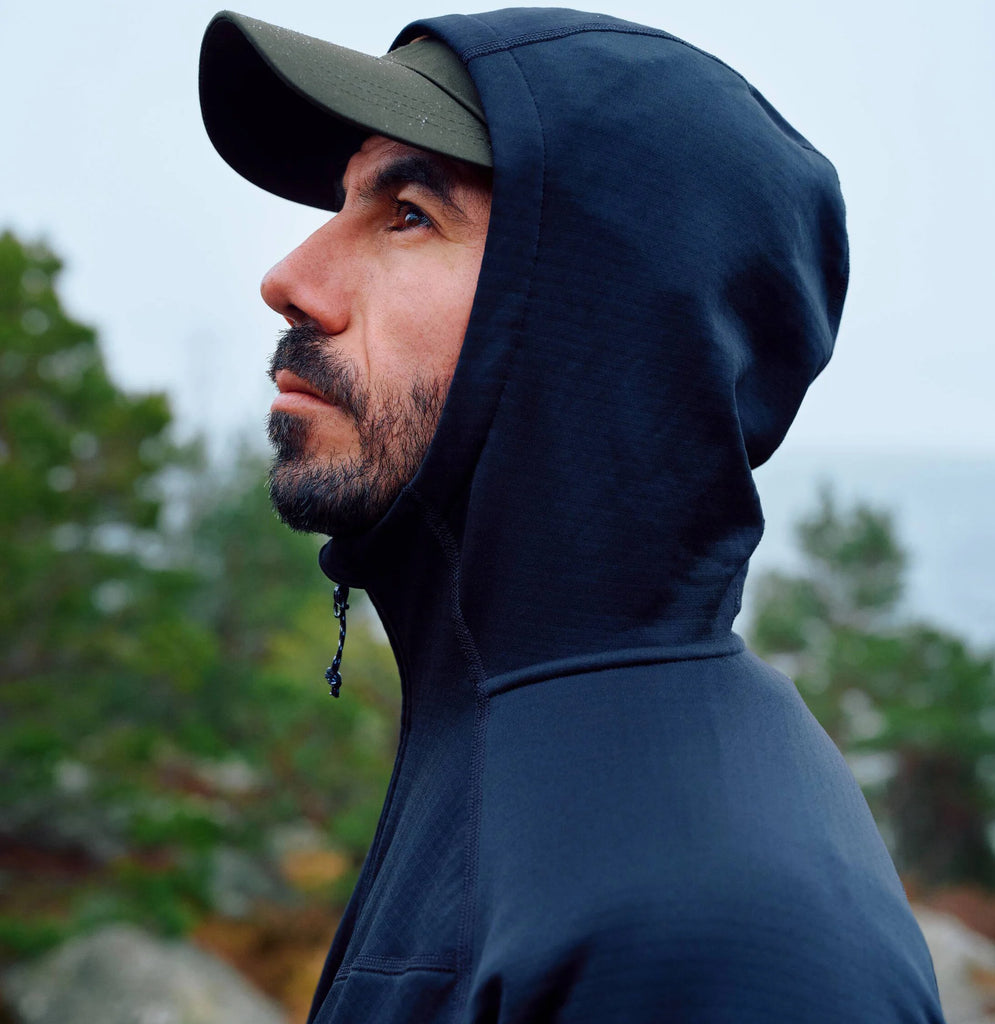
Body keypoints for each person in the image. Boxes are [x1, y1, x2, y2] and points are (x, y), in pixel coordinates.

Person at [199, 9, 946, 1023]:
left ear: (601, 313)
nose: (290, 279)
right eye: (341, 204)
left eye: (408, 213)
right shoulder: (518, 732)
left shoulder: (713, 930)